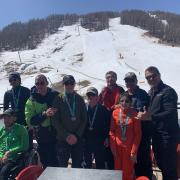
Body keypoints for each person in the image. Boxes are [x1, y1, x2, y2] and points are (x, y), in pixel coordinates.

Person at [137, 66, 179, 180]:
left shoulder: (167, 91)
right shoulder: (151, 92)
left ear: (159, 75)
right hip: (157, 136)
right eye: (148, 77)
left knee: (169, 168)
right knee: (162, 165)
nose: (150, 79)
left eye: (153, 76)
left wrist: (150, 117)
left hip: (167, 136)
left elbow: (170, 112)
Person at [52, 75, 87, 168]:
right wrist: (66, 135)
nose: (69, 85)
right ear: (63, 85)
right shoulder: (58, 99)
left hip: (77, 139)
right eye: (67, 83)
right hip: (63, 139)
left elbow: (84, 119)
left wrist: (76, 135)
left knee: (77, 165)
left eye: (71, 83)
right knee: (62, 166)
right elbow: (55, 120)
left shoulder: (79, 99)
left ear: (74, 84)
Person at [25, 74, 59, 167]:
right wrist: (45, 114)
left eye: (42, 83)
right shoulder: (31, 100)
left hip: (57, 135)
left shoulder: (56, 96)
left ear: (47, 83)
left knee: (57, 162)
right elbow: (30, 120)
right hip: (42, 136)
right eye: (37, 83)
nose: (39, 85)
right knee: (45, 162)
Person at [124, 72, 152, 179]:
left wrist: (133, 111)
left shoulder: (143, 94)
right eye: (127, 81)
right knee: (131, 162)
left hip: (142, 133)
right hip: (129, 136)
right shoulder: (125, 95)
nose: (129, 83)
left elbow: (145, 111)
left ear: (136, 81)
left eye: (131, 80)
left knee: (143, 160)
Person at [109, 93, 141, 180]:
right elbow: (111, 131)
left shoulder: (134, 114)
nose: (124, 103)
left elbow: (138, 134)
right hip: (117, 148)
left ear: (130, 103)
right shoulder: (115, 113)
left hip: (129, 149)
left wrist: (133, 152)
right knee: (117, 172)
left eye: (126, 101)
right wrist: (113, 148)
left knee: (128, 172)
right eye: (122, 101)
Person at [99, 71, 125, 169]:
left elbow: (125, 102)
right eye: (108, 77)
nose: (110, 79)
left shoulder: (121, 90)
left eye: (112, 77)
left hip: (117, 120)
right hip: (105, 121)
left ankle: (116, 169)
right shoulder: (103, 91)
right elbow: (99, 103)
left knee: (115, 146)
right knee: (107, 147)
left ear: (116, 78)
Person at [83, 87, 110, 169]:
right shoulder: (83, 108)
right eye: (88, 95)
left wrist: (107, 137)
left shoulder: (103, 109)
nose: (90, 97)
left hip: (99, 140)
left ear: (97, 97)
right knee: (87, 162)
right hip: (86, 140)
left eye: (93, 95)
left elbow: (108, 125)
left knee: (100, 163)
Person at [0, 108, 29, 180]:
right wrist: (1, 156)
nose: (6, 120)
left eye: (9, 117)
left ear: (15, 118)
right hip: (2, 156)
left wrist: (9, 152)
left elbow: (24, 146)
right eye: (5, 117)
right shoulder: (2, 130)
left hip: (14, 158)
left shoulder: (21, 129)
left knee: (3, 172)